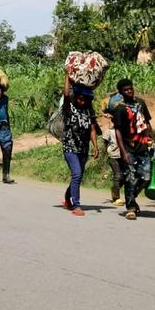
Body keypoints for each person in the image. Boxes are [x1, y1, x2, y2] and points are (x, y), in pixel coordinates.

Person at [112, 78, 153, 220]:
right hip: (128, 148)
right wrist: (123, 152)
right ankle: (130, 208)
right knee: (130, 178)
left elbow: (147, 123)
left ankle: (132, 197)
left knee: (146, 178)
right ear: (121, 92)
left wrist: (153, 141)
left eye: (130, 88)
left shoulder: (141, 103)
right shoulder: (120, 109)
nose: (129, 91)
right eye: (125, 90)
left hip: (143, 147)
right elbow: (117, 132)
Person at [61, 74, 99, 217]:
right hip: (70, 147)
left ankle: (67, 198)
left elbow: (92, 129)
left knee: (79, 176)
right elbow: (65, 95)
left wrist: (95, 146)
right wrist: (67, 78)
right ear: (76, 97)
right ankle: (76, 205)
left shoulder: (90, 111)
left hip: (83, 148)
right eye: (80, 98)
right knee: (76, 174)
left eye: (85, 99)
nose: (82, 101)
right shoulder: (69, 108)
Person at [103, 126, 124, 205]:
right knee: (118, 176)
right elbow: (105, 143)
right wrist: (104, 156)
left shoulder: (124, 129)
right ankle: (116, 197)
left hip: (124, 155)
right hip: (113, 156)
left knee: (124, 177)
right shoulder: (109, 131)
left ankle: (115, 189)